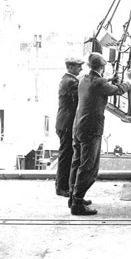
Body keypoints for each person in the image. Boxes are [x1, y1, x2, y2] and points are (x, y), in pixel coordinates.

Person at [68, 52, 131, 216]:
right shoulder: (99, 84)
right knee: (89, 167)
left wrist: (109, 79)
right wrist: (129, 79)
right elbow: (119, 90)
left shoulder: (84, 79)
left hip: (78, 127)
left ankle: (73, 197)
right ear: (102, 67)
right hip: (92, 129)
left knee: (76, 163)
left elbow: (99, 82)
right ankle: (77, 204)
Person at [54, 57, 85, 198]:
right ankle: (61, 187)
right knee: (66, 157)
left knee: (66, 155)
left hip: (64, 123)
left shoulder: (68, 80)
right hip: (66, 124)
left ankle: (63, 186)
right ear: (71, 67)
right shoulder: (70, 82)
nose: (81, 69)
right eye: (79, 66)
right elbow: (84, 89)